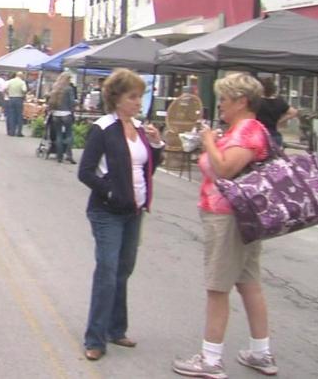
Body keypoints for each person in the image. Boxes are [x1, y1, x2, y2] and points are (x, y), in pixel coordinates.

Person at [172, 73, 277, 378]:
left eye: (225, 101)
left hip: (229, 216)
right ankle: (261, 352)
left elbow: (226, 169)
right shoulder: (243, 129)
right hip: (240, 216)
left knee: (218, 286)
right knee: (248, 282)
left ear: (242, 101)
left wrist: (208, 142)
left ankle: (211, 358)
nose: (221, 106)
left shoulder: (247, 130)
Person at [78, 68, 164, 361]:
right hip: (107, 212)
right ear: (117, 98)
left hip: (134, 212)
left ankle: (116, 329)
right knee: (107, 271)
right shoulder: (103, 129)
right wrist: (111, 192)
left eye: (140, 96)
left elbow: (146, 168)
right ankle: (95, 337)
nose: (138, 102)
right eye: (133, 97)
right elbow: (85, 171)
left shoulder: (140, 129)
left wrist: (156, 145)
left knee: (123, 271)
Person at [256, 77, 297, 148]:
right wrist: (280, 121)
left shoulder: (257, 102)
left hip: (259, 135)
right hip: (275, 136)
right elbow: (293, 112)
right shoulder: (279, 101)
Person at [49, 72, 77, 163]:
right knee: (69, 134)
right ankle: (69, 155)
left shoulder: (55, 87)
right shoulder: (68, 89)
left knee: (59, 135)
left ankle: (59, 156)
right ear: (67, 79)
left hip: (56, 114)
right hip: (66, 113)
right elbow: (72, 102)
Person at [4, 71, 28, 137]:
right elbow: (24, 90)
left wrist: (8, 94)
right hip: (19, 99)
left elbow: (5, 89)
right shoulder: (22, 82)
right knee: (19, 116)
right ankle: (19, 132)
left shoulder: (10, 81)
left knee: (12, 115)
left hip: (11, 99)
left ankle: (12, 132)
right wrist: (23, 94)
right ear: (21, 76)